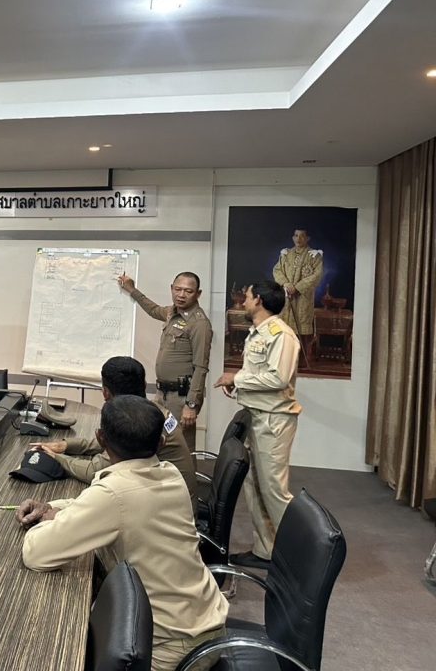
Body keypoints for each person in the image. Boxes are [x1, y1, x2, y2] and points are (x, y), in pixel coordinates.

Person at [17, 395, 227, 671]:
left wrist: (46, 521)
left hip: (171, 647)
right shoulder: (169, 474)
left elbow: (36, 554)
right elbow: (110, 505)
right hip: (207, 625)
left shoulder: (113, 495)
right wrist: (55, 508)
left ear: (101, 439)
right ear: (161, 443)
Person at [213, 281, 300, 569]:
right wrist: (240, 384)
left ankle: (298, 557)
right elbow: (260, 374)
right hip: (256, 415)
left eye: (247, 297)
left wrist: (236, 378)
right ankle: (266, 551)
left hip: (274, 420)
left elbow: (279, 378)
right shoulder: (259, 332)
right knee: (255, 486)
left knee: (274, 490)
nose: (244, 301)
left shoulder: (281, 335)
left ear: (259, 300)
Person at [30, 356, 196, 498]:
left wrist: (56, 458)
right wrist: (66, 445)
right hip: (173, 500)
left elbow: (93, 472)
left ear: (106, 393)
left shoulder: (135, 421)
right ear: (144, 385)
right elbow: (110, 441)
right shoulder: (150, 411)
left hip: (166, 510)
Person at [118, 271, 212, 452]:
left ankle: (185, 473)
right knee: (159, 443)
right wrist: (132, 289)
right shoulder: (172, 313)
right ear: (171, 289)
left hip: (181, 397)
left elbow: (201, 367)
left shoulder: (199, 324)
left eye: (188, 291)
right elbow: (153, 309)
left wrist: (191, 405)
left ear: (198, 294)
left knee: (180, 447)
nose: (181, 295)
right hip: (162, 393)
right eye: (177, 289)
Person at [272, 228, 323, 356]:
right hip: (286, 297)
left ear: (308, 238)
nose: (298, 239)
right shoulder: (286, 254)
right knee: (284, 329)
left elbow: (317, 275)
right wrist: (286, 284)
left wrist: (298, 287)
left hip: (303, 299)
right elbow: (277, 270)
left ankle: (301, 360)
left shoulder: (314, 256)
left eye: (302, 236)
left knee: (302, 329)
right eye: (296, 235)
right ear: (293, 237)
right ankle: (285, 359)